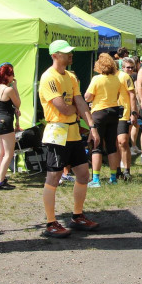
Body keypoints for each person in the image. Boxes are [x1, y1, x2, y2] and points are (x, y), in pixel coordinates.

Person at [38, 39, 101, 238]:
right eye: (66, 53)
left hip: (72, 131)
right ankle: (50, 223)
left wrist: (91, 126)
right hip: (56, 132)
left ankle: (77, 216)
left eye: (69, 52)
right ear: (55, 55)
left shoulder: (71, 77)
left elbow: (80, 102)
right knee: (54, 177)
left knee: (83, 174)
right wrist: (76, 109)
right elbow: (63, 108)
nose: (70, 55)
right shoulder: (49, 77)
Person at [85, 53, 125, 187]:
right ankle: (113, 177)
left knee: (97, 145)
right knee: (112, 146)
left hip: (99, 112)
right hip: (113, 112)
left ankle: (96, 179)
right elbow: (118, 94)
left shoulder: (97, 79)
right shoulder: (116, 79)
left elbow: (88, 97)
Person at [0, 62, 21, 191]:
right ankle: (1, 181)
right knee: (8, 153)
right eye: (12, 75)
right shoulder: (8, 89)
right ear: (8, 76)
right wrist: (15, 87)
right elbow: (18, 103)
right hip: (6, 121)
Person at [116, 57, 137, 180]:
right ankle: (117, 169)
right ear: (122, 67)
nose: (130, 69)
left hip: (124, 113)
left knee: (123, 142)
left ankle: (126, 170)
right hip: (113, 113)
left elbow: (132, 95)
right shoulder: (116, 76)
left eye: (132, 67)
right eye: (127, 67)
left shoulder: (127, 77)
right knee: (116, 143)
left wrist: (133, 112)